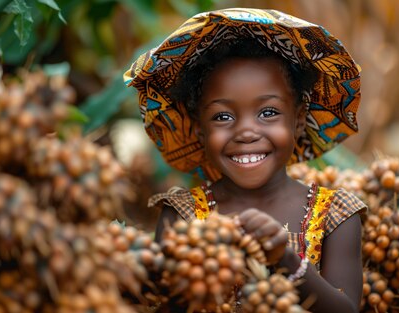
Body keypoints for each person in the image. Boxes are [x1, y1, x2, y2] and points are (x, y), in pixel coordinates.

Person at [124, 8, 366, 313]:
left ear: (299, 120)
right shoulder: (182, 218)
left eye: (268, 113)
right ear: (199, 129)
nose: (246, 132)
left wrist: (287, 261)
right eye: (223, 116)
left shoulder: (337, 215)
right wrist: (199, 268)